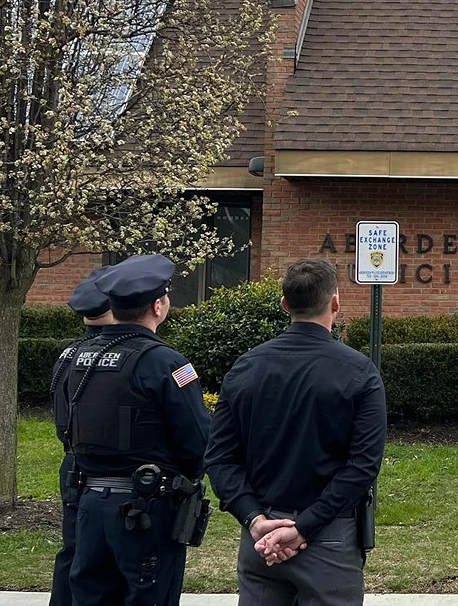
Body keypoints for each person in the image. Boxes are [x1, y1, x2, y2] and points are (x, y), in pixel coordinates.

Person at [205, 258, 387, 605]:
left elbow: (220, 458)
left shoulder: (245, 367)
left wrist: (254, 519)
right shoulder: (359, 372)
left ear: (285, 304)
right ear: (335, 302)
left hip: (260, 538)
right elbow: (363, 465)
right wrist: (304, 526)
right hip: (329, 539)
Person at [64, 254, 212, 606]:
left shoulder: (80, 357)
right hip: (146, 510)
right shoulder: (165, 362)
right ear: (159, 305)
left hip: (89, 504)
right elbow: (199, 439)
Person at [49, 266, 122, 606]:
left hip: (74, 465)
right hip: (111, 478)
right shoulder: (122, 355)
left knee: (73, 553)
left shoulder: (70, 354)